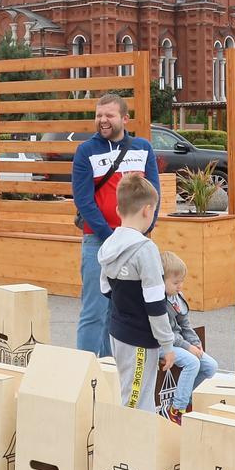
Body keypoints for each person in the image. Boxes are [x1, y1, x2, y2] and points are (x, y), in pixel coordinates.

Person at [72, 93, 158, 357]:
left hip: (135, 244)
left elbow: (153, 194)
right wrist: (112, 237)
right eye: (99, 115)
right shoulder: (86, 151)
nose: (102, 120)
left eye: (109, 115)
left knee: (118, 313)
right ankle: (84, 374)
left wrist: (145, 229)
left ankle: (109, 371)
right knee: (94, 311)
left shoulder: (143, 148)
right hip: (99, 242)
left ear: (124, 118)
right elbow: (84, 201)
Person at [97, 174, 178, 413]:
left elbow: (106, 289)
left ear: (118, 209)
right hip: (140, 339)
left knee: (129, 390)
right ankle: (128, 448)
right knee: (137, 402)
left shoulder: (108, 245)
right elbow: (155, 304)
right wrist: (167, 344)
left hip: (118, 331)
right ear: (147, 209)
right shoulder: (146, 250)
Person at [157, 249, 222, 418]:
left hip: (177, 342)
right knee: (192, 362)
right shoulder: (157, 301)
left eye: (182, 282)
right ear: (161, 280)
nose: (180, 286)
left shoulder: (177, 297)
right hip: (160, 344)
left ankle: (186, 399)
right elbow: (166, 333)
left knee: (210, 366)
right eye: (175, 283)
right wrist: (187, 347)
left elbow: (185, 325)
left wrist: (195, 342)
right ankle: (175, 410)